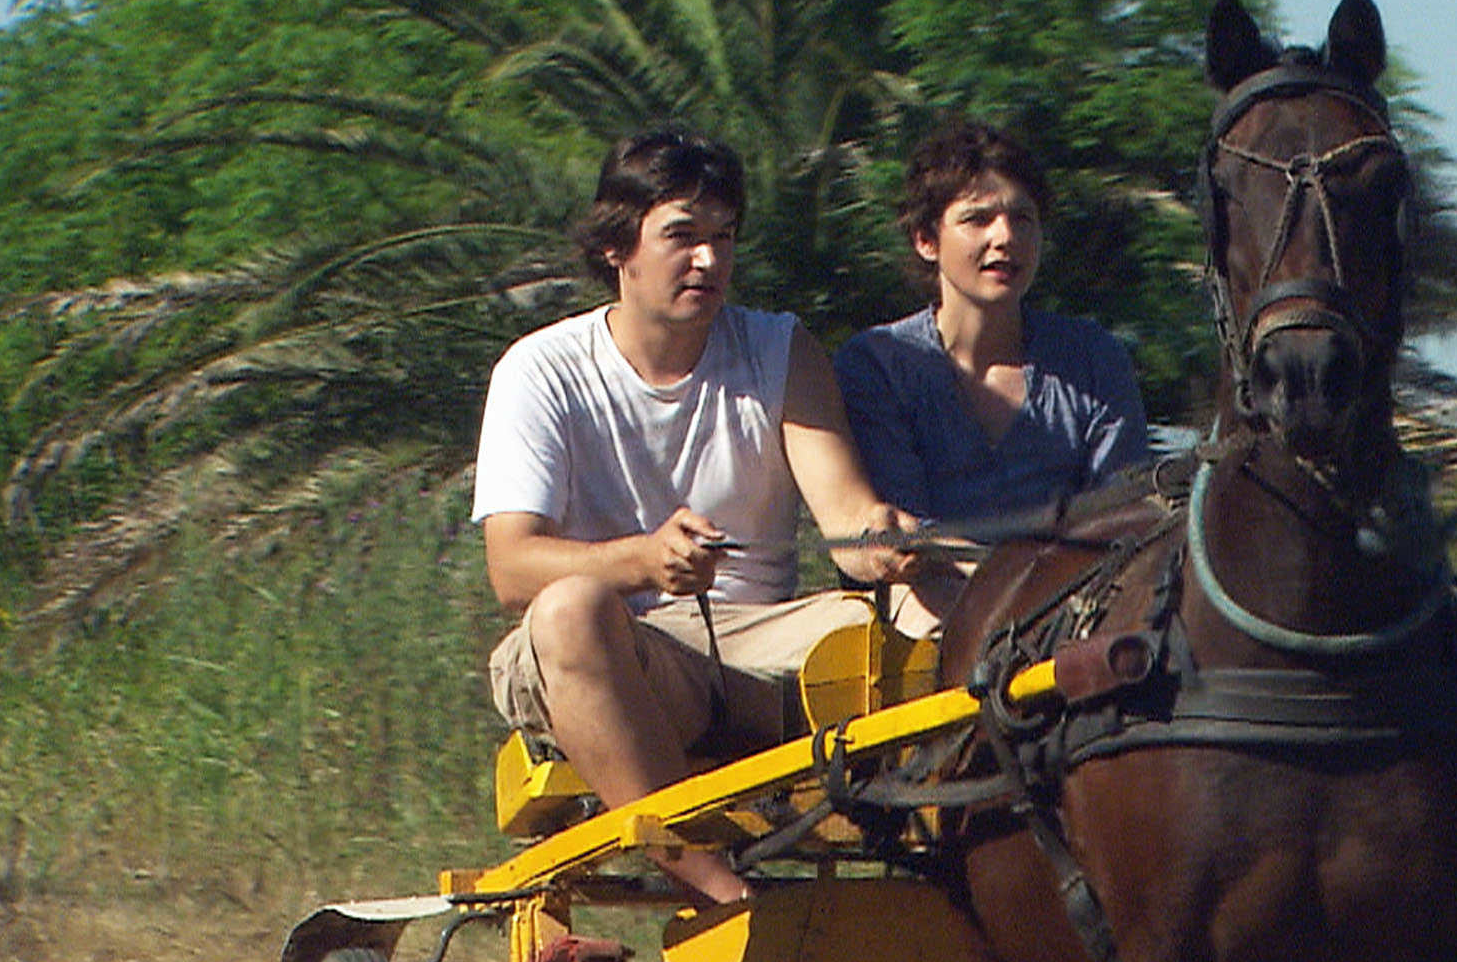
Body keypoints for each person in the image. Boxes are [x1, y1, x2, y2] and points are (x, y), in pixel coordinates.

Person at [472, 130, 915, 908]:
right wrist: (643, 560)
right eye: (682, 236)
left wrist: (889, 542)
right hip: (623, 652)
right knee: (569, 608)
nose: (708, 260)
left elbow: (848, 519)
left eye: (724, 237)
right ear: (618, 246)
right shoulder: (540, 371)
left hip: (764, 640)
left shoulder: (780, 349)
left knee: (930, 611)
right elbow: (511, 568)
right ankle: (719, 886)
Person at [834, 121, 1149, 629]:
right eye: (978, 219)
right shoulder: (877, 364)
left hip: (1079, 618)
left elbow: (1123, 516)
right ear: (925, 240)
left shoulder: (1095, 359)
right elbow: (909, 540)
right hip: (931, 619)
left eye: (1023, 219)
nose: (1005, 237)